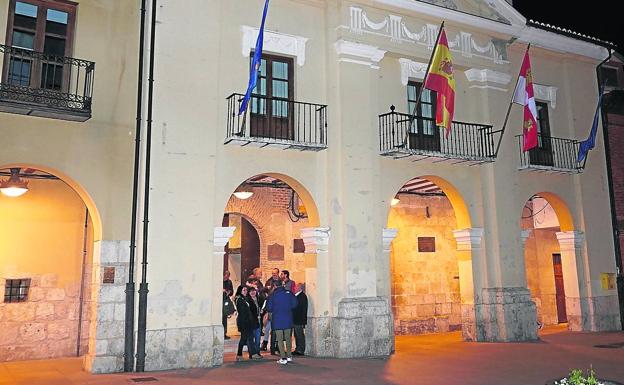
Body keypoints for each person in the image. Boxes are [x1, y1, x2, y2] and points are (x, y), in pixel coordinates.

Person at [266, 280, 297, 364]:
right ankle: (289, 356)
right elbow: (295, 304)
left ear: (275, 286)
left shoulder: (273, 295)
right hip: (288, 318)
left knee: (279, 339)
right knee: (288, 338)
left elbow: (269, 307)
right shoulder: (289, 293)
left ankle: (283, 357)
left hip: (277, 319)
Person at [235, 286, 262, 361]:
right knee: (244, 338)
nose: (245, 291)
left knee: (248, 337)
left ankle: (251, 354)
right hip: (244, 322)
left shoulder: (244, 299)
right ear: (240, 291)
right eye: (244, 290)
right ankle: (240, 355)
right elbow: (242, 312)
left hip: (247, 322)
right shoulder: (239, 299)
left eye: (246, 290)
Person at [292, 283, 308, 356]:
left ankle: (300, 350)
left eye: (296, 287)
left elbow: (300, 309)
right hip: (296, 319)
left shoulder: (302, 296)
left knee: (299, 335)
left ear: (300, 288)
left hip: (298, 319)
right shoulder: (297, 296)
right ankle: (297, 348)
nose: (294, 288)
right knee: (296, 335)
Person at [248, 286, 263, 353]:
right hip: (251, 322)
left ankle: (257, 351)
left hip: (258, 321)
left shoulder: (259, 299)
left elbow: (262, 307)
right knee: (251, 337)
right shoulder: (247, 300)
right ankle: (252, 352)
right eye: (251, 291)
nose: (252, 292)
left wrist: (262, 311)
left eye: (254, 291)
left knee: (258, 337)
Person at [223, 271, 234, 340]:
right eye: (225, 276)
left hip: (226, 300)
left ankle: (224, 333)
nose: (226, 278)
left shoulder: (229, 282)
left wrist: (229, 292)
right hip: (220, 300)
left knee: (224, 317)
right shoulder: (219, 281)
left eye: (227, 277)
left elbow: (231, 291)